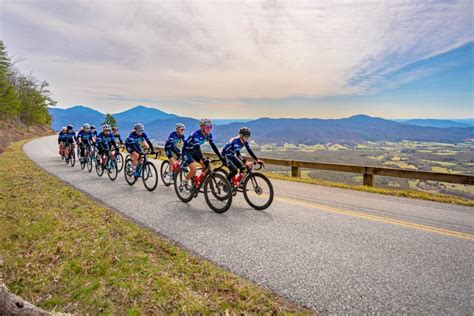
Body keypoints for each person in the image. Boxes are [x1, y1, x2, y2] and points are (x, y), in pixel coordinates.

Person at [182, 118, 224, 187]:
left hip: (195, 151)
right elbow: (197, 147)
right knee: (193, 170)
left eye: (210, 127)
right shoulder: (195, 134)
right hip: (187, 151)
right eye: (207, 127)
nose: (209, 129)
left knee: (206, 167)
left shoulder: (208, 135)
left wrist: (221, 157)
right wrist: (203, 158)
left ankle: (199, 182)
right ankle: (184, 181)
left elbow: (213, 146)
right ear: (202, 127)